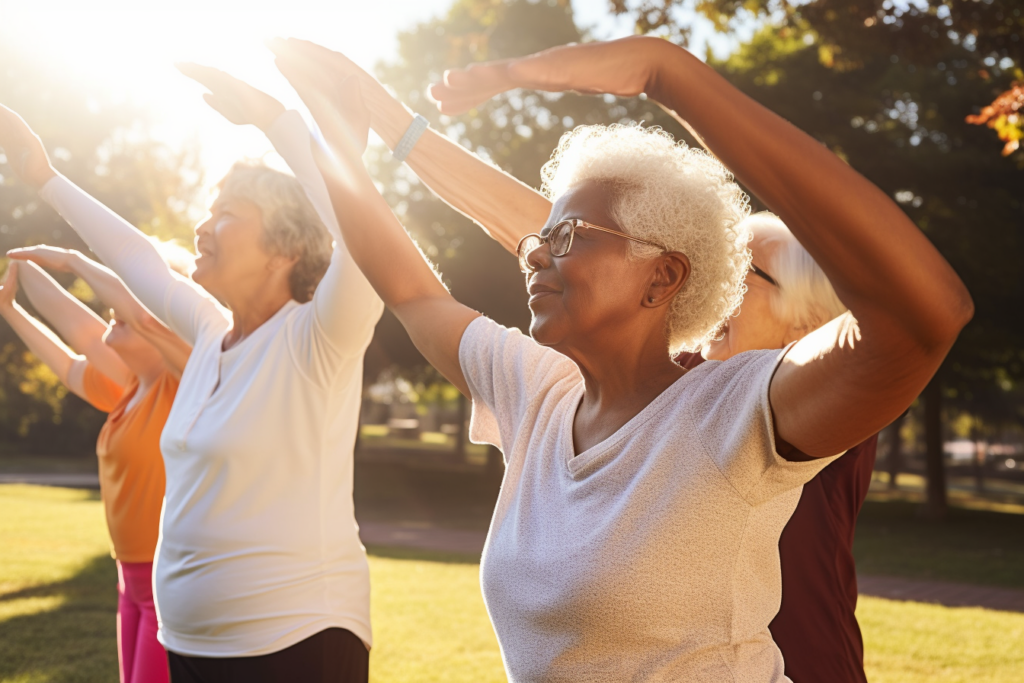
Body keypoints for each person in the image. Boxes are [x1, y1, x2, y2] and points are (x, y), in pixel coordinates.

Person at [271, 35, 971, 682]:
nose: (536, 249)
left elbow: (926, 315)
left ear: (664, 278)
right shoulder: (538, 391)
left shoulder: (732, 411)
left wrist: (673, 80)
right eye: (544, 236)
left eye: (567, 234)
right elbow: (411, 292)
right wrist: (338, 134)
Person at [0, 78, 383, 682]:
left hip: (296, 645)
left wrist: (276, 122)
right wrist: (45, 177)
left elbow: (367, 240)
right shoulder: (209, 334)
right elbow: (137, 259)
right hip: (192, 647)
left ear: (284, 249)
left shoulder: (320, 337)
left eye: (226, 215)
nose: (201, 228)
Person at [0, 245, 191, 683]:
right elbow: (69, 362)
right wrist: (9, 306)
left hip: (168, 584)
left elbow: (80, 329)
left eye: (129, 302)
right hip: (129, 580)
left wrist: (51, 259)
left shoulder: (180, 387)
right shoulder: (127, 390)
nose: (112, 309)